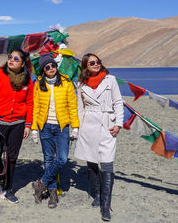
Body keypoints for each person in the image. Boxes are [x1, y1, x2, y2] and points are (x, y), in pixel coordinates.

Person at [74, 53, 124, 222]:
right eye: (92, 63)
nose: (96, 64)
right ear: (86, 67)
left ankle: (105, 205)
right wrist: (79, 128)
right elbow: (80, 108)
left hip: (108, 124)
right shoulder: (81, 84)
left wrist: (119, 124)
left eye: (98, 62)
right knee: (91, 162)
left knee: (107, 164)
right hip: (88, 125)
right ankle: (96, 193)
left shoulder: (110, 80)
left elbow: (118, 102)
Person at [0, 48, 33, 204]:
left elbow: (30, 103)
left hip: (18, 124)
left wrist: (28, 124)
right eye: (10, 57)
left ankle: (8, 188)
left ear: (23, 63)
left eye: (16, 59)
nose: (11, 60)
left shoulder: (27, 79)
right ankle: (3, 180)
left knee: (11, 158)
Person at [31, 53, 80, 209]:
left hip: (62, 126)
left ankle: (41, 183)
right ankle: (53, 195)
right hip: (44, 126)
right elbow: (36, 107)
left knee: (62, 158)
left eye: (53, 65)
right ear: (43, 70)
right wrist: (33, 129)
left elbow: (72, 106)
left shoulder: (66, 82)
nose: (51, 68)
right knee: (48, 159)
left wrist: (76, 126)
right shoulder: (39, 84)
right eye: (47, 67)